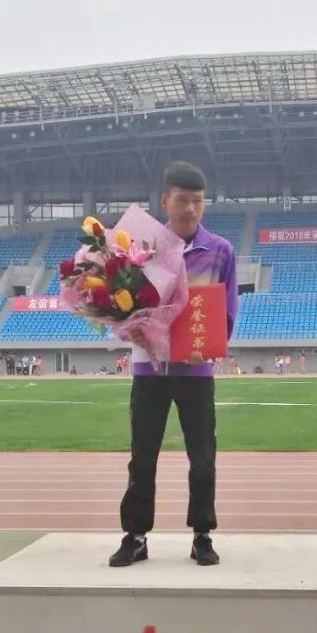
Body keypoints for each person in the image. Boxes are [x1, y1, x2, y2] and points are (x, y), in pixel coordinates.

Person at [110, 161, 238, 567]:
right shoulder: (141, 249)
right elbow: (123, 304)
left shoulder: (220, 251)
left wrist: (214, 343)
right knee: (142, 456)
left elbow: (227, 310)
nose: (190, 209)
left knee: (202, 457)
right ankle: (135, 536)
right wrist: (129, 330)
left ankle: (202, 535)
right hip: (149, 369)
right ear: (165, 200)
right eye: (183, 200)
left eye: (198, 201)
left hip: (196, 371)